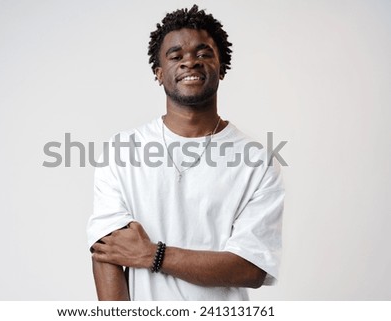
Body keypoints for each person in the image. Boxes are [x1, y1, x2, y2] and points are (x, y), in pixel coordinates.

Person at [87, 4, 285, 301]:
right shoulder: (121, 150)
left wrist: (153, 255)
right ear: (159, 72)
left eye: (204, 54)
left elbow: (251, 267)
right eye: (176, 56)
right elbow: (107, 253)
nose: (189, 62)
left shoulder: (257, 162)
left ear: (222, 67)